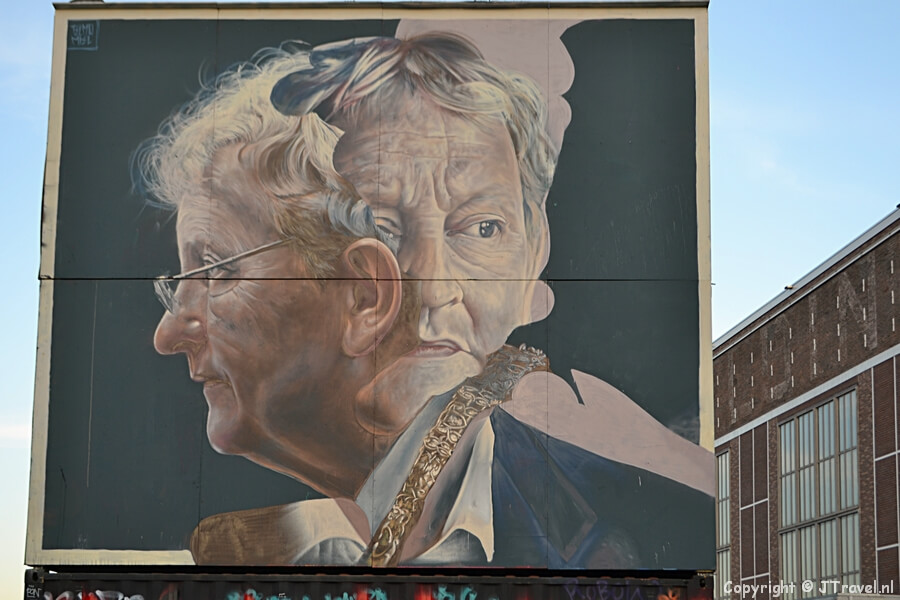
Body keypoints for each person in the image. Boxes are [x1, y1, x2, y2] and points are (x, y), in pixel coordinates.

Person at [271, 33, 715, 568]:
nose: (431, 288)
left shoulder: (625, 507)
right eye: (378, 228)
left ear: (535, 251)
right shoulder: (250, 475)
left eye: (482, 227)